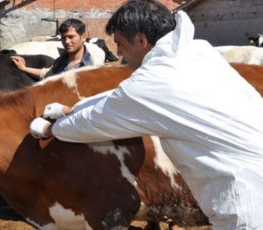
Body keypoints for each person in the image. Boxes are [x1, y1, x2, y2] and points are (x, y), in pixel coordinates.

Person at [29, 0, 263, 229]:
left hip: (246, 201)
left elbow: (98, 120)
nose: (117, 51)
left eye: (120, 43)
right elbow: (125, 96)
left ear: (141, 40)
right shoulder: (194, 51)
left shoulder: (153, 83)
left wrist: (51, 129)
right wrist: (72, 109)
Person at [11, 18, 104, 80]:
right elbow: (46, 74)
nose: (67, 41)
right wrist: (23, 68)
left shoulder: (93, 65)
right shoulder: (61, 61)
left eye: (71, 37)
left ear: (83, 37)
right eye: (63, 38)